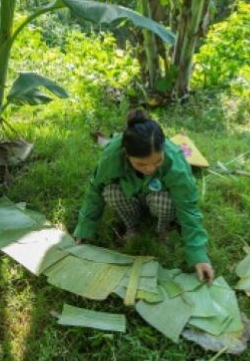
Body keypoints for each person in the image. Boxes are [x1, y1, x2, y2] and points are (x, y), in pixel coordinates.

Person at [74, 110, 215, 283]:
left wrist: (198, 256)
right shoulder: (112, 156)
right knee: (110, 192)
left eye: (157, 162)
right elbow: (95, 192)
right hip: (129, 195)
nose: (150, 169)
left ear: (163, 149)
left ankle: (163, 227)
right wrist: (84, 230)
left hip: (159, 198)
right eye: (141, 164)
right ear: (126, 153)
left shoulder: (174, 160)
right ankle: (131, 226)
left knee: (162, 200)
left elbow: (188, 208)